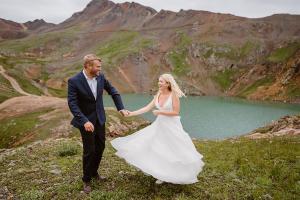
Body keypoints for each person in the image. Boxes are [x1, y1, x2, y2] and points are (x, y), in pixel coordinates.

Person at [111, 73, 205, 184]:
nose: (158, 83)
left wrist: (160, 111)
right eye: (158, 81)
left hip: (171, 126)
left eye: (161, 81)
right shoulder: (159, 93)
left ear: (167, 83)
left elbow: (176, 112)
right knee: (158, 148)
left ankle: (174, 173)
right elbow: (147, 108)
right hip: (160, 124)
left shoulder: (173, 95)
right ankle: (161, 173)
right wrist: (131, 113)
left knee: (172, 149)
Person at [67, 54, 129, 193]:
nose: (100, 68)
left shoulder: (100, 77)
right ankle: (86, 179)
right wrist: (84, 121)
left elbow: (113, 91)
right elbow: (72, 103)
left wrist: (121, 108)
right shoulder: (74, 81)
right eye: (97, 66)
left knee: (100, 147)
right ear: (88, 66)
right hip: (86, 122)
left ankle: (94, 172)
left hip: (100, 119)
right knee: (89, 150)